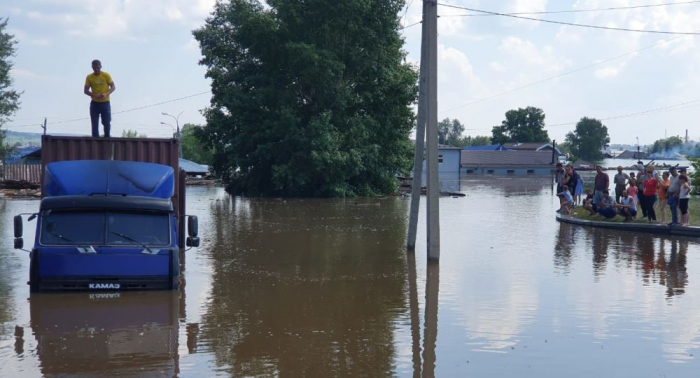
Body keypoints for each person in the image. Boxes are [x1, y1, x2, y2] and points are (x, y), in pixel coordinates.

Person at [84, 59, 115, 138]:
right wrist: (94, 95)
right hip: (95, 103)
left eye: (98, 67)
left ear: (100, 67)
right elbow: (85, 90)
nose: (96, 69)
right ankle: (95, 139)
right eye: (94, 68)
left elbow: (113, 87)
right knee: (94, 123)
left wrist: (106, 94)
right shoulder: (89, 77)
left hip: (105, 102)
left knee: (106, 122)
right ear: (92, 68)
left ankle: (107, 138)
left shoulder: (106, 75)